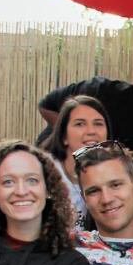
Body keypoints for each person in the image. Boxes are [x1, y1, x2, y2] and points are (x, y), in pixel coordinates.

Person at [36, 49, 133, 158]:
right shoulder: (101, 92)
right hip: (53, 164)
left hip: (105, 186)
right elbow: (46, 105)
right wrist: (71, 136)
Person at [39, 95, 112, 223]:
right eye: (80, 124)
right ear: (63, 137)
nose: (91, 131)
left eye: (98, 123)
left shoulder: (111, 174)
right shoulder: (44, 173)